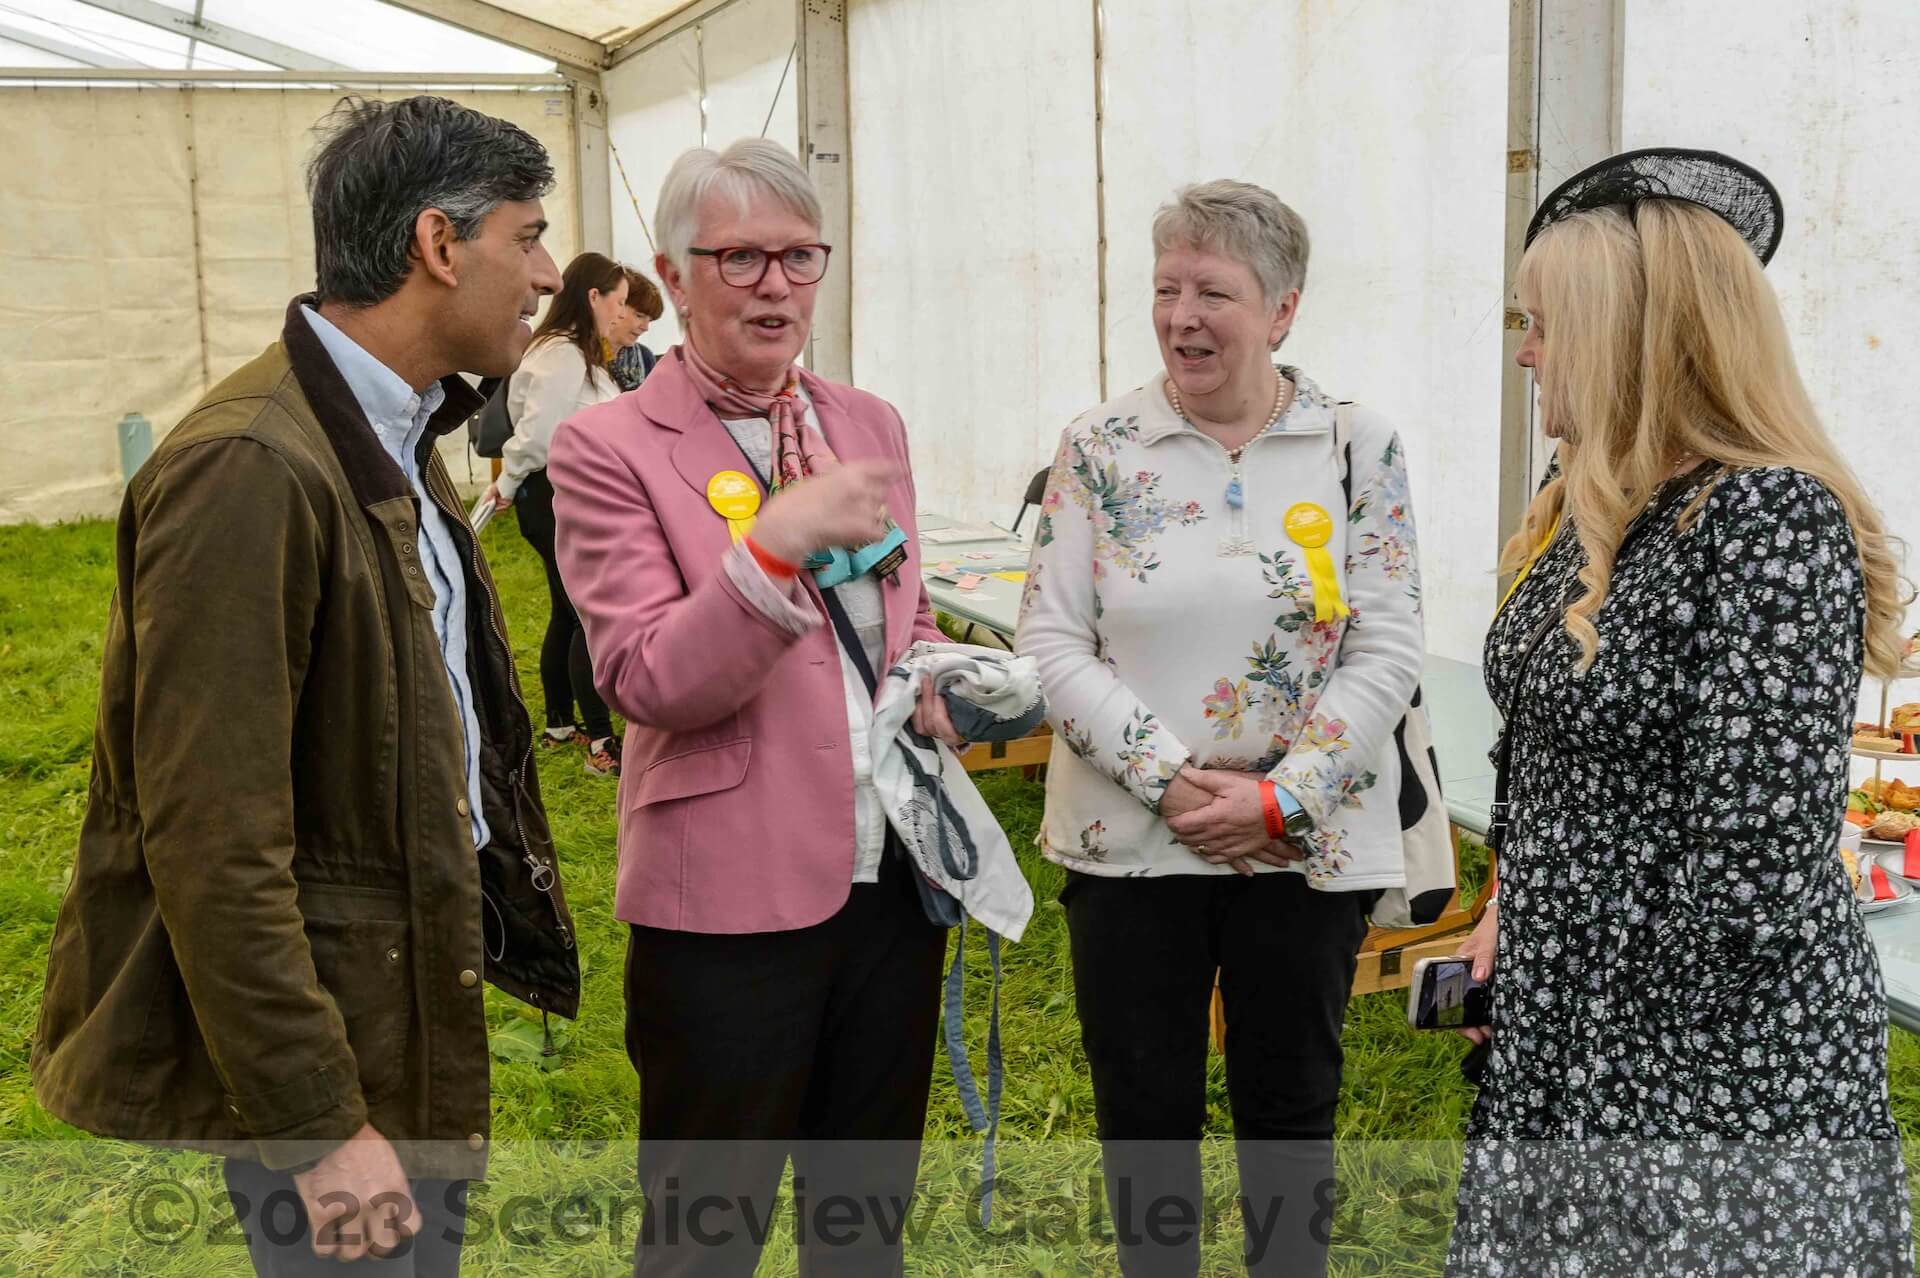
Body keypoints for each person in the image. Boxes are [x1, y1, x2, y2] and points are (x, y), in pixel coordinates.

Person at [30, 95, 581, 1275]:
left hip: (388, 996)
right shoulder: (253, 467)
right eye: (527, 237)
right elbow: (211, 838)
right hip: (337, 1046)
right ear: (438, 245)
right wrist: (319, 1127)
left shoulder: (391, 426)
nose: (546, 275)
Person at [1446, 148, 1913, 1275]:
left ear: (1628, 334)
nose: (1526, 352)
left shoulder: (1769, 519)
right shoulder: (1592, 498)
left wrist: (1589, 1003)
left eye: (1545, 324)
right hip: (1581, 1011)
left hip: (1705, 1056)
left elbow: (1754, 875)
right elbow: (1544, 747)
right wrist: (1515, 910)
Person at [546, 138, 968, 1277]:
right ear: (673, 278)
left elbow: (906, 614)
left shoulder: (866, 422)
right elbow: (646, 677)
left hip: (889, 882)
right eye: (740, 258)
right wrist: (772, 549)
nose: (776, 285)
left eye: (799, 256)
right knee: (704, 1238)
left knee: (861, 1228)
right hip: (725, 902)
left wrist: (941, 677)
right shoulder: (606, 445)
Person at [1015, 179, 1424, 1278]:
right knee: (1143, 1122)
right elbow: (1051, 640)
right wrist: (1173, 782)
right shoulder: (1099, 445)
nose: (1181, 317)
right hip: (1133, 845)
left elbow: (1388, 644)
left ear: (1283, 309)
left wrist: (1283, 798)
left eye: (1213, 293)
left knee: (1289, 1117)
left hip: (1300, 846)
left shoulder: (1356, 446)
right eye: (1167, 289)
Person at [484, 252, 630, 776]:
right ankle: (600, 744)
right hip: (555, 496)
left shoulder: (571, 352)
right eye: (618, 302)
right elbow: (538, 434)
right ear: (593, 297)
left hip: (560, 494)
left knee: (568, 612)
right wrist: (507, 482)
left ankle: (562, 726)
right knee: (588, 616)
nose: (621, 313)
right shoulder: (563, 354)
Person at [610, 268, 664, 391]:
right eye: (639, 316)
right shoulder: (584, 351)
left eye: (650, 320)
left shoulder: (645, 358)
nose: (645, 327)